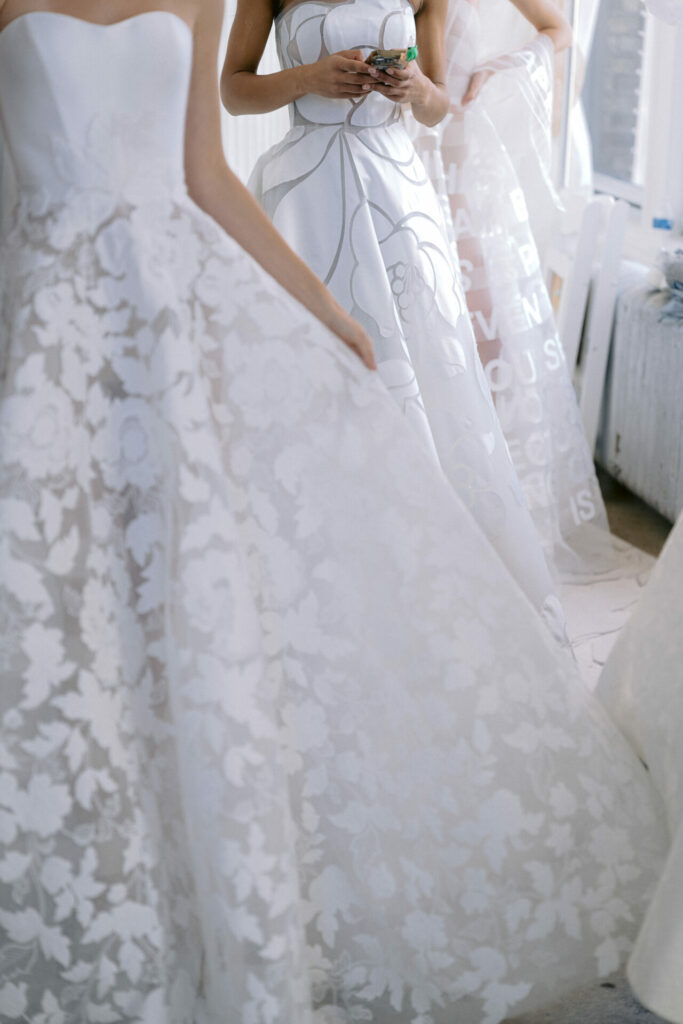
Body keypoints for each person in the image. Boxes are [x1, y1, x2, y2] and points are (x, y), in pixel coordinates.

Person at [0, 2, 678, 1022]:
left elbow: (202, 176)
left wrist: (324, 315)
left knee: (184, 567)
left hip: (175, 317)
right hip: (49, 316)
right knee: (59, 582)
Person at [222, 0, 564, 628]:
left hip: (400, 202)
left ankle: (418, 578)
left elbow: (437, 110)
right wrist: (307, 79)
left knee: (421, 386)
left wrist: (415, 88)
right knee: (311, 390)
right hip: (305, 201)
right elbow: (232, 91)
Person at [410, 0, 612, 575]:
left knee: (486, 346)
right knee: (418, 352)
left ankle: (488, 512)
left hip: (460, 182)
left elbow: (559, 29)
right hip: (394, 171)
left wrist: (508, 67)